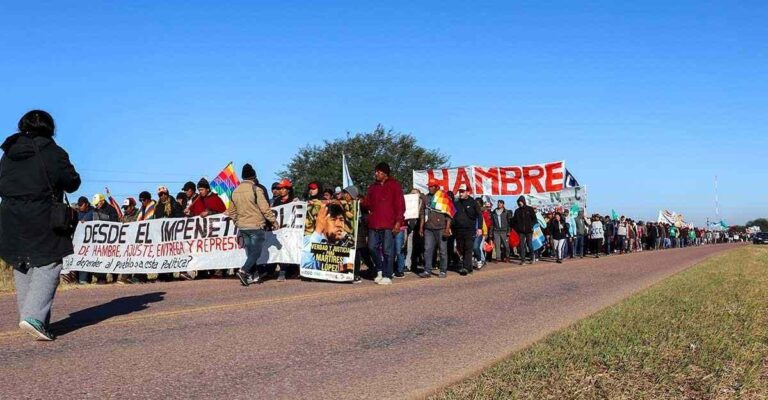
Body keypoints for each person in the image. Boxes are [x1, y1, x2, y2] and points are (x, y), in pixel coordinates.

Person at [0, 110, 81, 341]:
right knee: (50, 262)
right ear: (50, 128)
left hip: (9, 215)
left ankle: (34, 319)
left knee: (22, 261)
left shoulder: (8, 153)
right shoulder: (53, 152)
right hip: (42, 212)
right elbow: (72, 182)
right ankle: (33, 316)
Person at [230, 163, 277, 286]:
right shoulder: (256, 189)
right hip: (256, 226)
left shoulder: (235, 191)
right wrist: (273, 221)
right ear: (254, 176)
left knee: (251, 252)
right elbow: (265, 209)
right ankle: (243, 271)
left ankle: (254, 276)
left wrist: (238, 222)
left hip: (243, 227)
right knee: (256, 252)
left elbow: (232, 212)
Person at [361, 162, 405, 285]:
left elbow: (400, 205)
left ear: (385, 173)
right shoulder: (372, 187)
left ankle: (387, 275)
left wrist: (398, 222)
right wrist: (360, 201)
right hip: (374, 223)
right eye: (375, 171)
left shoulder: (394, 185)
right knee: (371, 247)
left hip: (388, 223)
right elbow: (367, 203)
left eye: (378, 172)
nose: (376, 174)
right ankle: (380, 269)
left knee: (387, 250)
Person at [418, 179, 452, 278]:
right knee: (427, 249)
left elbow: (448, 215)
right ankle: (427, 270)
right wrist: (421, 227)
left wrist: (447, 228)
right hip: (428, 228)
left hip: (441, 228)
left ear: (437, 187)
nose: (430, 188)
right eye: (429, 186)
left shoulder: (443, 197)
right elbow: (422, 213)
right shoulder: (426, 198)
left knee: (442, 250)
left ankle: (443, 270)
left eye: (432, 186)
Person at [154, 186, 184, 281]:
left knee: (171, 254)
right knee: (161, 254)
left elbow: (179, 217)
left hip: (172, 233)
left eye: (164, 194)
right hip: (161, 234)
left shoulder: (174, 204)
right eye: (160, 194)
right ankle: (162, 275)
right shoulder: (157, 206)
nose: (162, 196)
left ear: (167, 193)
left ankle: (170, 275)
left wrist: (170, 221)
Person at [452, 184, 482, 276]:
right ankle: (469, 267)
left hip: (470, 230)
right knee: (461, 248)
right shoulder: (456, 203)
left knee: (468, 247)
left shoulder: (473, 202)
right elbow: (452, 215)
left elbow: (479, 216)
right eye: (460, 191)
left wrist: (479, 228)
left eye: (463, 191)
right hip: (458, 230)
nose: (461, 193)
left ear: (468, 192)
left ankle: (465, 267)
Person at [512, 196, 537, 265]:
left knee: (529, 244)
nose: (520, 203)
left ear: (523, 201)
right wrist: (517, 228)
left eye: (521, 201)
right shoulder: (517, 211)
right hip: (521, 232)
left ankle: (532, 257)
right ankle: (523, 260)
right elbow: (514, 221)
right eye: (519, 202)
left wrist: (531, 226)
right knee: (521, 245)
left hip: (529, 231)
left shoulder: (530, 209)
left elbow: (534, 219)